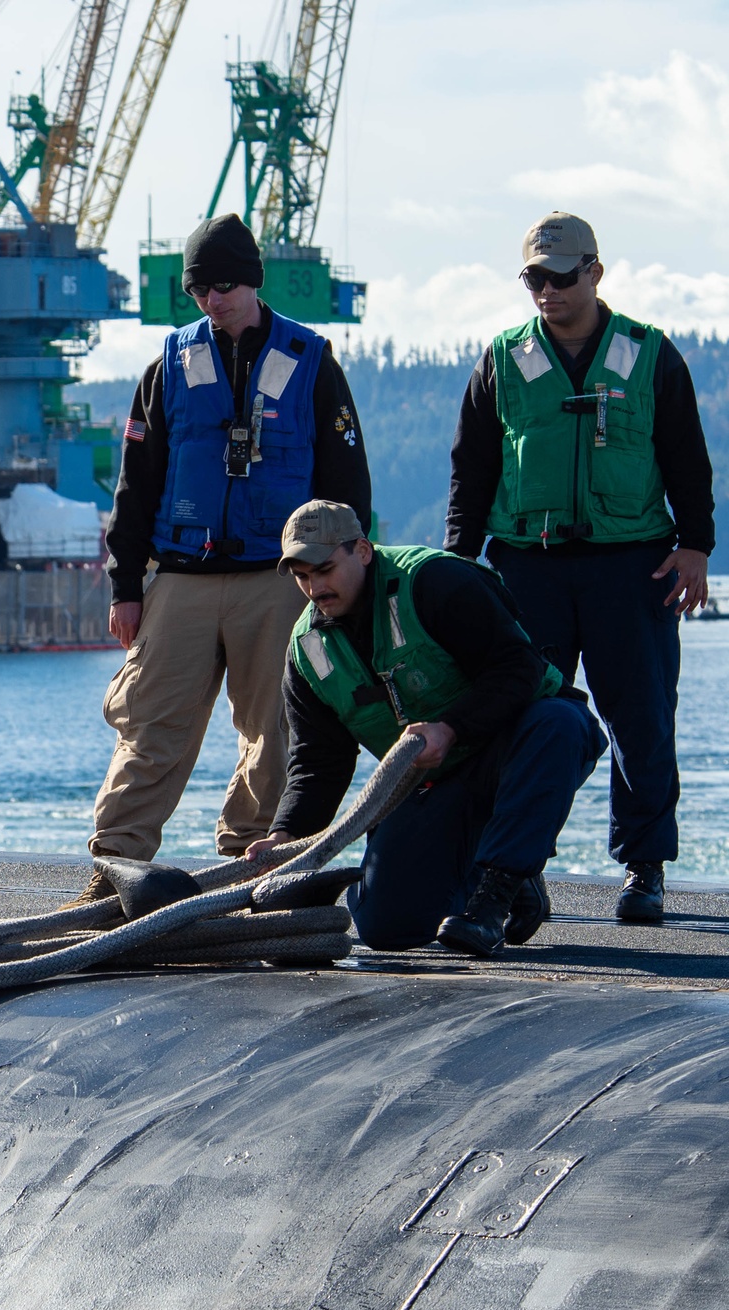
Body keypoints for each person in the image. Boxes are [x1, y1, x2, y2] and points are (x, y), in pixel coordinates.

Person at [71, 214, 371, 904]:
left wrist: (347, 580)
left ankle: (254, 859)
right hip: (181, 576)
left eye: (224, 284)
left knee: (278, 731)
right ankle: (112, 866)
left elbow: (347, 483)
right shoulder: (169, 367)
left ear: (254, 280)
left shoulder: (313, 362)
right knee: (151, 725)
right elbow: (135, 484)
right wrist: (126, 585)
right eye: (199, 289)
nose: (212, 300)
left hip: (281, 580)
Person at [445, 211, 715, 924]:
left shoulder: (650, 355)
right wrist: (456, 562)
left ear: (595, 272)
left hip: (634, 566)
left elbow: (687, 457)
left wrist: (697, 544)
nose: (547, 291)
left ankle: (645, 866)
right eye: (534, 277)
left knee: (644, 718)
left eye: (562, 277)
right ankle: (515, 867)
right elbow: (471, 468)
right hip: (525, 566)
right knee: (522, 715)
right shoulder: (503, 360)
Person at [246, 501, 607, 957]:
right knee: (386, 928)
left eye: (325, 569)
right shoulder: (307, 653)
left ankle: (495, 895)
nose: (315, 587)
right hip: (433, 783)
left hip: (515, 749)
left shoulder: (435, 581)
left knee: (559, 723)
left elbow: (518, 668)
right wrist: (283, 836)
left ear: (361, 550)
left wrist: (451, 729)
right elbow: (318, 763)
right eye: (301, 576)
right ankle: (497, 873)